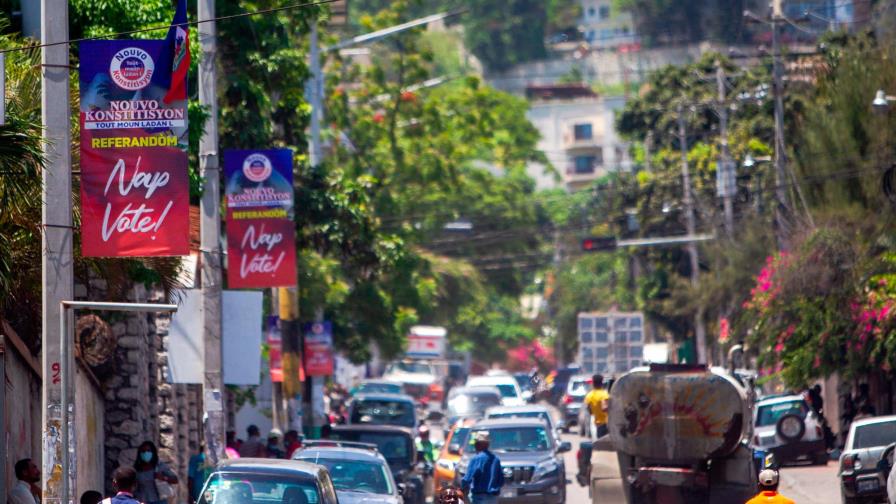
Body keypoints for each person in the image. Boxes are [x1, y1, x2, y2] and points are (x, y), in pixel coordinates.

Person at [460, 431, 504, 504]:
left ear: (478, 444)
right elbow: (501, 480)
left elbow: (467, 478)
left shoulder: (476, 459)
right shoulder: (496, 460)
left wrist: (462, 488)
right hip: (493, 497)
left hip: (479, 497)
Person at [583, 374, 610, 439]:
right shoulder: (604, 394)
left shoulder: (589, 395)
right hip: (606, 424)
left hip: (597, 424)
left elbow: (589, 410)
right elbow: (604, 407)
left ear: (593, 383)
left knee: (599, 442)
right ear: (602, 382)